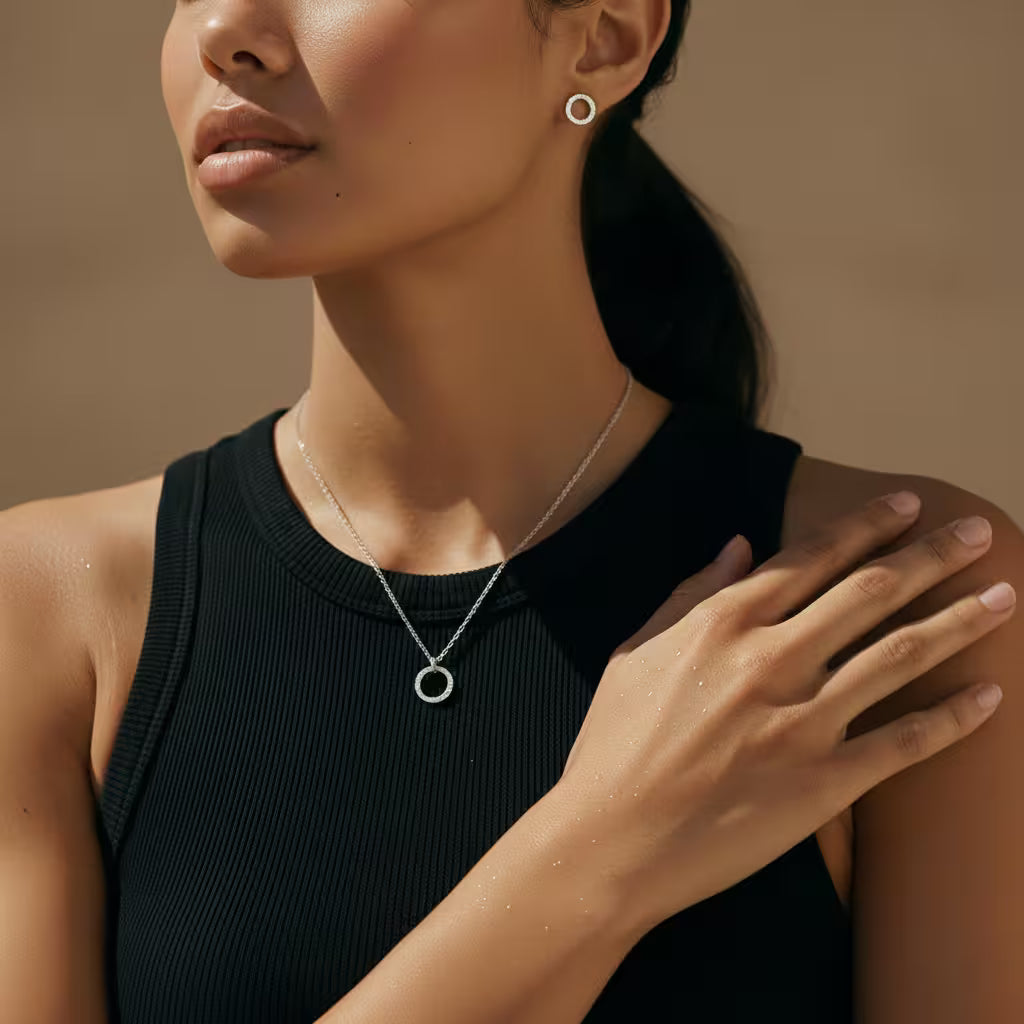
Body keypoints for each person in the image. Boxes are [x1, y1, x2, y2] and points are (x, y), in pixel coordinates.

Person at [2, 1, 1021, 1022]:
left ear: (605, 36)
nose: (225, 26)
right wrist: (602, 851)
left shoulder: (898, 605)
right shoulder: (48, 612)